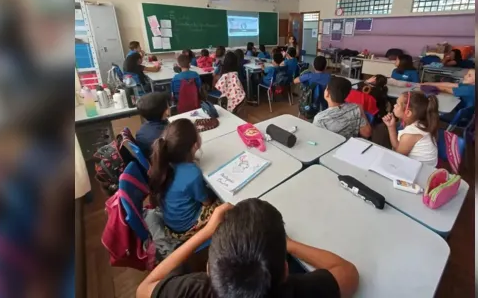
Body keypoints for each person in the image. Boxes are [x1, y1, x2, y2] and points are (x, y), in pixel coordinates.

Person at [136, 198, 359, 298]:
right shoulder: (301, 291)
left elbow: (144, 288)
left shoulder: (194, 291)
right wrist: (289, 244)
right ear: (285, 270)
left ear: (208, 270)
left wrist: (205, 231)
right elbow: (347, 272)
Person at [147, 119, 219, 240]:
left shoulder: (164, 162)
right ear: (195, 144)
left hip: (171, 223)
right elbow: (207, 202)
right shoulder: (193, 173)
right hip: (186, 228)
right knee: (225, 204)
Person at [381, 91, 440, 167]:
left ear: (408, 113)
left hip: (421, 172)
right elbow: (398, 147)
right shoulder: (421, 123)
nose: (394, 106)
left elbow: (397, 155)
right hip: (421, 167)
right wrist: (391, 126)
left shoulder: (411, 133)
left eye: (397, 105)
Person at [135, 92, 170, 158]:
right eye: (168, 105)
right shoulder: (165, 135)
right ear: (167, 111)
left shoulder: (142, 129)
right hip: (165, 165)